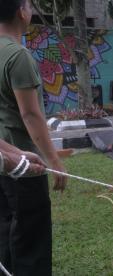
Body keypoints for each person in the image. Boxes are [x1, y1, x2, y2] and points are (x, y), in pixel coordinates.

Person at [0, 1, 67, 275]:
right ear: (21, 11)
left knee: (5, 229)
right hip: (26, 162)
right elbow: (30, 115)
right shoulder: (18, 56)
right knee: (32, 238)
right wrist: (54, 161)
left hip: (3, 158)